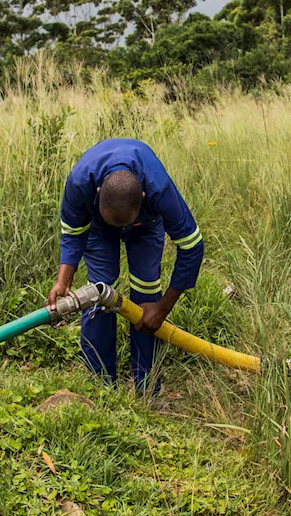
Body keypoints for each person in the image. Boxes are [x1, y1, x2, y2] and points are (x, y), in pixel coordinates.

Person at [47, 138, 204, 393]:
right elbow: (74, 233)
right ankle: (101, 386)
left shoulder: (158, 188)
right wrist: (63, 282)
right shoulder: (80, 183)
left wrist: (163, 308)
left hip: (146, 225)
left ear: (143, 197)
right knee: (98, 294)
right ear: (98, 195)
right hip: (98, 228)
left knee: (146, 298)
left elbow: (192, 244)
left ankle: (147, 386)